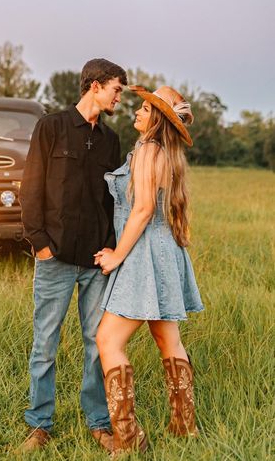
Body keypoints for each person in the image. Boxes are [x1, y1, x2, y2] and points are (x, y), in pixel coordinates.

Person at [18, 58, 128, 453]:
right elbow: (30, 188)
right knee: (45, 342)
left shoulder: (111, 141)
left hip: (96, 262)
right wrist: (40, 244)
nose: (120, 97)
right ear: (95, 86)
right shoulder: (50, 127)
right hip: (56, 258)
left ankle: (99, 423)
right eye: (116, 89)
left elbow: (113, 201)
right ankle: (40, 425)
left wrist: (113, 246)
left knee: (96, 343)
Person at [94, 85, 204, 456]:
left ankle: (128, 440)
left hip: (143, 253)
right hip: (164, 249)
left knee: (108, 340)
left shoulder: (148, 150)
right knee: (168, 342)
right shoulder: (166, 153)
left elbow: (142, 210)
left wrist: (115, 256)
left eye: (144, 108)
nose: (137, 113)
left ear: (157, 119)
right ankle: (184, 428)